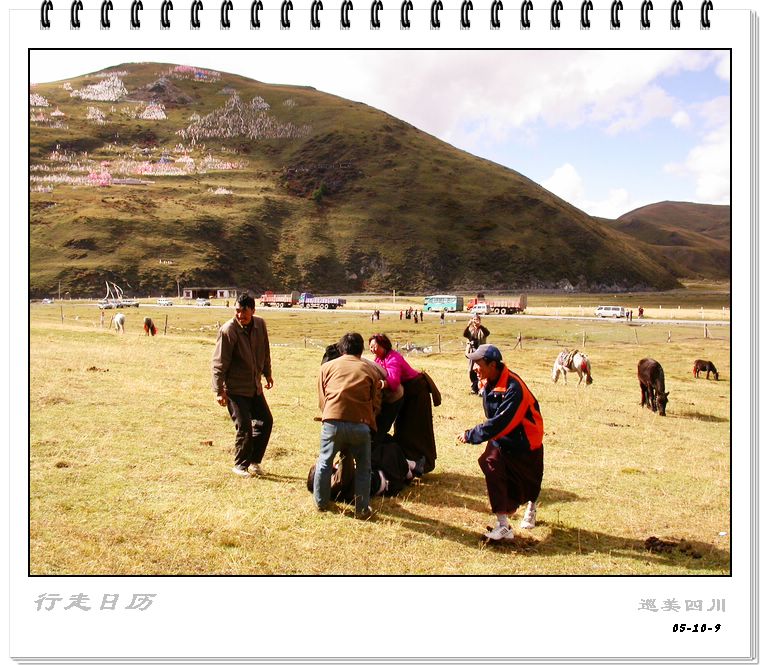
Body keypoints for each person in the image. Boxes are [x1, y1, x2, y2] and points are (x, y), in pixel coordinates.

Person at [456, 344, 543, 542]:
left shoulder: (514, 388)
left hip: (525, 442)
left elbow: (500, 423)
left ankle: (531, 506)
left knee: (529, 484)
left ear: (493, 365)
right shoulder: (488, 382)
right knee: (490, 462)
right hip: (503, 438)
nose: (474, 368)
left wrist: (471, 435)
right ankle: (503, 526)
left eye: (478, 364)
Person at [315, 332, 379, 518]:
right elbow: (375, 401)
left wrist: (330, 415)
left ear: (342, 349)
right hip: (360, 424)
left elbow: (322, 399)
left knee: (325, 462)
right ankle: (362, 509)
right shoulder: (370, 370)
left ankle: (321, 503)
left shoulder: (326, 367)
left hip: (332, 422)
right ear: (361, 350)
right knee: (363, 467)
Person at [211, 293, 274, 478]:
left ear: (253, 310)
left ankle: (254, 461)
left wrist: (267, 373)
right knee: (244, 426)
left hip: (254, 386)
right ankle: (240, 465)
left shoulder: (260, 325)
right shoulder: (228, 330)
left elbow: (265, 350)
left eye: (244, 312)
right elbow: (219, 363)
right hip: (235, 389)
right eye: (237, 311)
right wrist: (219, 390)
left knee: (265, 421)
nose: (240, 315)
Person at [369, 333, 440, 472]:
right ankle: (406, 461)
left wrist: (381, 384)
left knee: (416, 429)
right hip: (405, 395)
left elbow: (394, 381)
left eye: (374, 346)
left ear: (383, 345)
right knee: (402, 428)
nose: (372, 349)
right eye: (370, 347)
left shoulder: (393, 357)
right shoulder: (379, 359)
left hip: (417, 393)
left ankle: (423, 462)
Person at [463, 314, 490, 394]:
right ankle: (474, 388)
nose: (475, 321)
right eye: (474, 319)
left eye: (477, 319)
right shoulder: (470, 329)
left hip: (480, 352)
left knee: (480, 370)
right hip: (472, 351)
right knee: (471, 370)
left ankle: (481, 388)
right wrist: (468, 325)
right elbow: (465, 334)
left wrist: (480, 326)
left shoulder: (482, 329)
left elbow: (487, 333)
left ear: (479, 321)